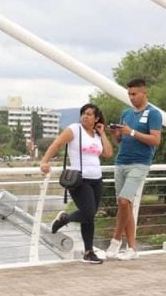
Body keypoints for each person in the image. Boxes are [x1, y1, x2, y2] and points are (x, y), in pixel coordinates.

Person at [40, 103, 113, 264]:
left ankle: (88, 252)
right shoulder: (74, 129)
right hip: (79, 179)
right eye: (83, 113)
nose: (85, 116)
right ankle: (64, 219)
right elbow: (56, 144)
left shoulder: (96, 134)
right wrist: (44, 162)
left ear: (97, 119)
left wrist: (102, 133)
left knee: (90, 217)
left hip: (97, 180)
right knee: (88, 213)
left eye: (89, 114)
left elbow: (108, 153)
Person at [106, 78, 163, 260]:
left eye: (134, 93)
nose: (131, 97)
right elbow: (121, 142)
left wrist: (131, 132)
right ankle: (132, 248)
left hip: (140, 163)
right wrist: (116, 134)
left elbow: (155, 140)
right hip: (121, 162)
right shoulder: (126, 113)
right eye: (129, 94)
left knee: (124, 201)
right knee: (125, 205)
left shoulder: (154, 113)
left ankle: (115, 241)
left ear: (144, 92)